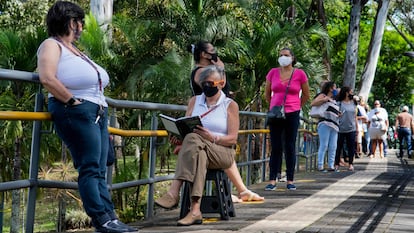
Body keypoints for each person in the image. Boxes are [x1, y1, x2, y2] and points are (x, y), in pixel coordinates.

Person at [37, 2, 137, 232]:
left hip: (97, 112)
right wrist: (72, 101)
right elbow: (47, 78)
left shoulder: (74, 49)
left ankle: (110, 216)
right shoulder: (51, 45)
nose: (82, 27)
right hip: (76, 110)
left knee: (100, 167)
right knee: (90, 167)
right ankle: (100, 219)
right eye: (80, 22)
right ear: (71, 22)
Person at [155, 65, 239, 226]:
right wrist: (179, 138)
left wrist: (211, 137)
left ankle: (173, 192)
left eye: (211, 83)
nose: (207, 87)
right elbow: (186, 127)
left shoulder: (229, 105)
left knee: (194, 139)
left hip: (223, 153)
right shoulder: (194, 101)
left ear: (221, 83)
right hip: (198, 149)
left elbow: (232, 139)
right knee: (198, 154)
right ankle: (195, 210)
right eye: (204, 84)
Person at [185, 41, 263, 202]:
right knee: (203, 147)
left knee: (219, 147)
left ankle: (195, 204)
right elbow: (214, 81)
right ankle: (197, 203)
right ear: (203, 54)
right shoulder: (201, 72)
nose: (215, 54)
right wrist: (219, 68)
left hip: (216, 123)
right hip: (206, 119)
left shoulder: (228, 103)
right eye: (212, 51)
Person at [264, 47, 310, 191]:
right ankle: (272, 179)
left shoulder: (299, 74)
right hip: (276, 113)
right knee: (276, 146)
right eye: (281, 55)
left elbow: (306, 94)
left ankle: (290, 179)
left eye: (286, 55)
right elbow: (267, 93)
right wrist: (273, 106)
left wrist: (296, 106)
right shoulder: (273, 72)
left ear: (292, 58)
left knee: (289, 146)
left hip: (292, 112)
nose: (283, 57)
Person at [311, 81, 340, 172]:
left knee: (333, 146)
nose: (336, 89)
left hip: (334, 124)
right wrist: (325, 99)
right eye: (334, 87)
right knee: (324, 145)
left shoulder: (334, 100)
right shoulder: (323, 95)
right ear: (330, 88)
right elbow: (313, 103)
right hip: (325, 123)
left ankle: (331, 165)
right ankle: (320, 165)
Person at [334, 87, 358, 171]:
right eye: (350, 91)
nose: (352, 93)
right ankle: (336, 164)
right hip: (340, 128)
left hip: (351, 128)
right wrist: (338, 115)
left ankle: (351, 164)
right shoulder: (339, 103)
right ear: (346, 93)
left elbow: (355, 116)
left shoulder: (354, 103)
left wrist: (357, 128)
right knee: (338, 147)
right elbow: (334, 114)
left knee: (351, 147)